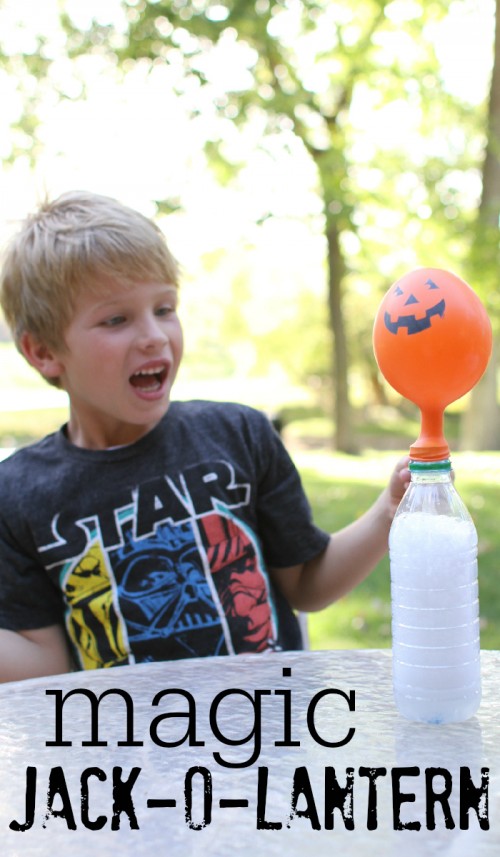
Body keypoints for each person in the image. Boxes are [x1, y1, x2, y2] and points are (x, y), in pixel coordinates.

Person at [0, 190, 409, 682]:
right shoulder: (18, 495)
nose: (154, 335)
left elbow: (305, 584)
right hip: (124, 753)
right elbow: (45, 665)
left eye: (164, 308)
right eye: (116, 319)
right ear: (44, 351)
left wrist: (388, 512)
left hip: (271, 740)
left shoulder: (239, 434)